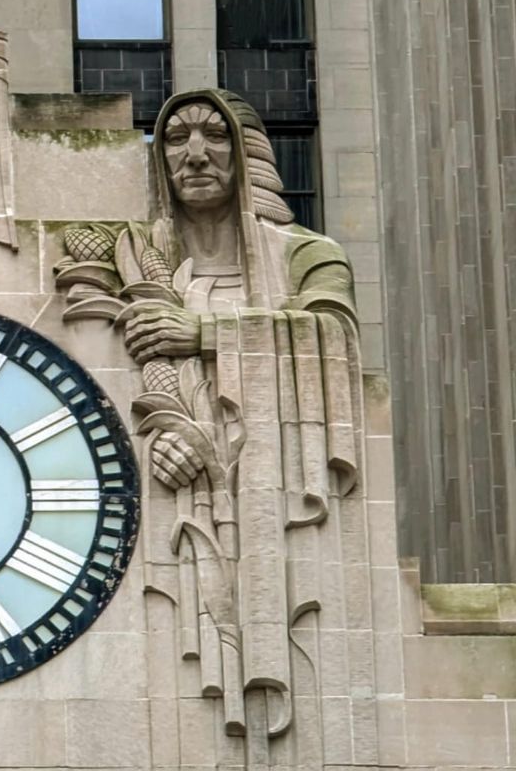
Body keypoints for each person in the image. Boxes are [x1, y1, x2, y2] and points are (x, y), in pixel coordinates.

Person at [113, 89, 366, 751]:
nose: (194, 153)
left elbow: (332, 336)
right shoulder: (143, 269)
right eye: (175, 138)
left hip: (268, 510)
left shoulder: (306, 254)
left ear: (245, 151)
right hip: (182, 518)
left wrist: (199, 331)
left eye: (213, 135)